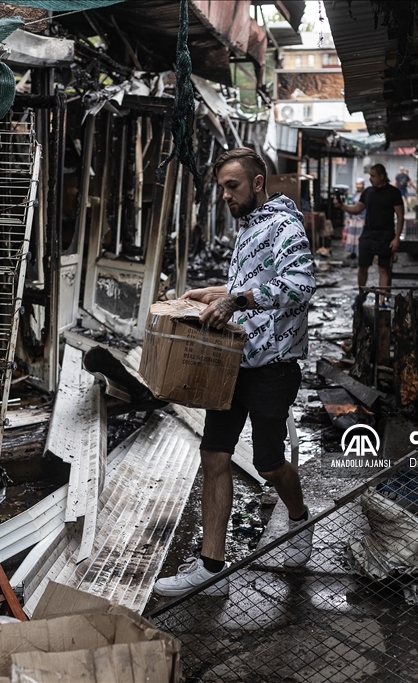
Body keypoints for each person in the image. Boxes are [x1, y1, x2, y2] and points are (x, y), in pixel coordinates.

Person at [153, 147, 316, 598]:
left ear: (258, 183)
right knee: (215, 457)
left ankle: (300, 518)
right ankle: (211, 569)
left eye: (233, 186)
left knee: (267, 462)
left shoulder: (285, 225)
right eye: (222, 187)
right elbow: (255, 280)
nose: (225, 195)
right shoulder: (248, 227)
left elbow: (300, 285)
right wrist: (215, 292)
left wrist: (238, 301)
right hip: (233, 364)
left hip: (272, 368)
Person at [335, 164, 405, 296]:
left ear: (382, 176)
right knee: (362, 267)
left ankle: (383, 301)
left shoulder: (393, 193)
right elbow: (356, 209)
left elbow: (401, 217)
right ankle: (361, 295)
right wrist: (342, 206)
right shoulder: (368, 192)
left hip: (386, 235)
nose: (370, 179)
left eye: (373, 176)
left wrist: (397, 238)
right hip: (368, 234)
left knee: (384, 269)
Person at [342, 179, 365, 262]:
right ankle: (352, 252)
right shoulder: (354, 194)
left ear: (363, 185)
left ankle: (359, 253)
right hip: (353, 218)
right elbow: (350, 205)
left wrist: (365, 219)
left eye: (360, 184)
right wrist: (348, 216)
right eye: (357, 184)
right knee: (351, 236)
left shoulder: (365, 195)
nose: (358, 186)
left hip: (361, 219)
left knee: (359, 236)